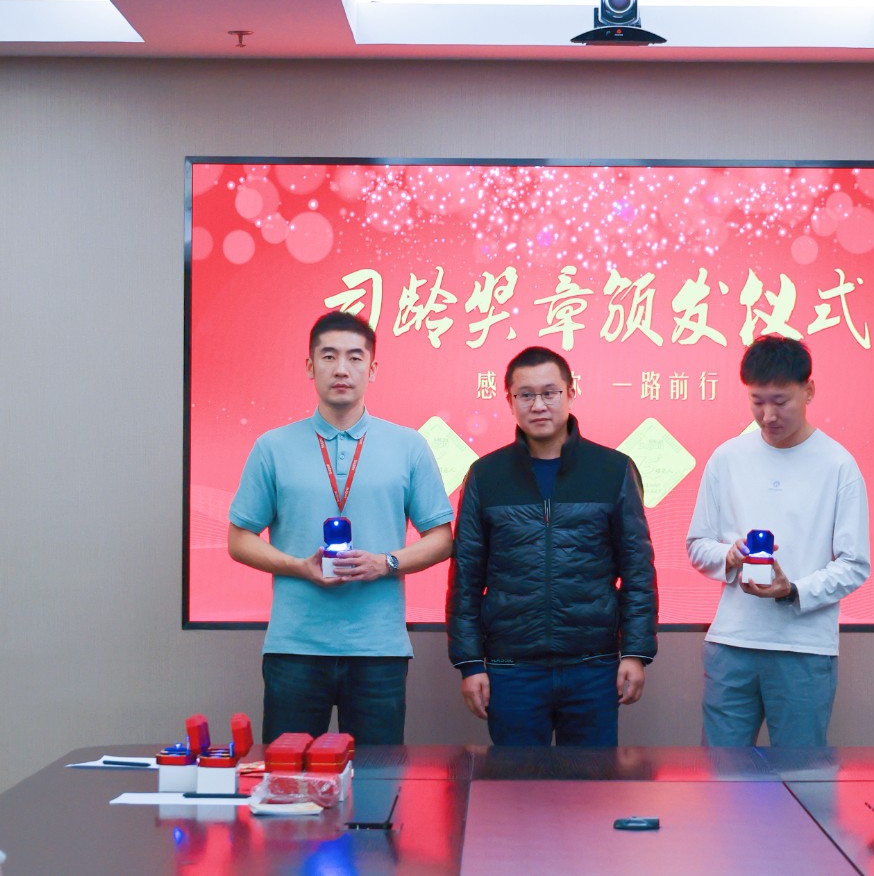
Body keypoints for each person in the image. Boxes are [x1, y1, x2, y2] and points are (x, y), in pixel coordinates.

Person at [228, 310, 454, 744]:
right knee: (290, 776)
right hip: (295, 648)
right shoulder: (272, 446)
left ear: (373, 368)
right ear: (310, 366)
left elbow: (442, 538)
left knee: (376, 778)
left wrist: (385, 563)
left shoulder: (409, 445)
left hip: (379, 650)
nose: (341, 369)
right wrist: (299, 566)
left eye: (354, 357)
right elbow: (239, 540)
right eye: (328, 356)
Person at [446, 345, 658, 746]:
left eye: (550, 393)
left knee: (591, 782)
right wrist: (470, 663)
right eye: (525, 395)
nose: (538, 405)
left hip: (593, 666)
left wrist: (635, 652)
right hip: (512, 669)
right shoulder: (486, 474)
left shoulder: (613, 469)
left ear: (571, 393)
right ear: (509, 401)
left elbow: (637, 570)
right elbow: (466, 578)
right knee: (518, 781)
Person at [686, 336, 869, 748]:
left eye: (780, 401)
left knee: (801, 774)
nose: (768, 416)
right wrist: (729, 554)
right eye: (757, 401)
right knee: (720, 774)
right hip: (732, 643)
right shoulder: (727, 458)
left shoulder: (838, 465)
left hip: (803, 648)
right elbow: (698, 544)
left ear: (809, 391)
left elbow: (854, 564)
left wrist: (793, 590)